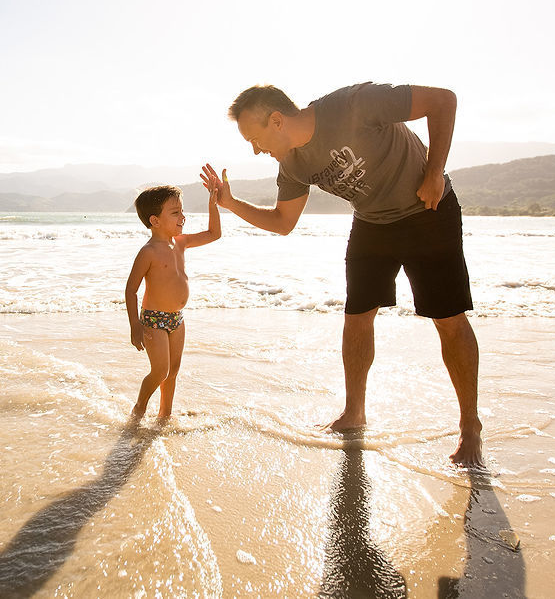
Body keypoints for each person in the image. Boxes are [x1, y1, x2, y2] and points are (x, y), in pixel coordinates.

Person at [201, 82, 482, 466]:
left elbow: (443, 100)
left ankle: (470, 426)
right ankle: (355, 413)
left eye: (255, 138)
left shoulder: (354, 104)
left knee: (448, 320)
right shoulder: (293, 165)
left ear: (277, 120)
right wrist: (230, 202)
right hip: (372, 223)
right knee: (356, 319)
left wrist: (435, 171)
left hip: (427, 213)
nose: (255, 149)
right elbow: (284, 222)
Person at [125, 177, 221, 418]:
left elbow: (214, 233)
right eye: (175, 213)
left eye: (182, 211)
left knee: (173, 370)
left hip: (177, 318)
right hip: (154, 320)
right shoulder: (148, 252)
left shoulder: (181, 242)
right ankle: (140, 407)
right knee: (160, 371)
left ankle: (164, 415)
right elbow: (131, 290)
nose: (182, 217)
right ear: (155, 221)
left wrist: (213, 203)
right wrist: (135, 326)